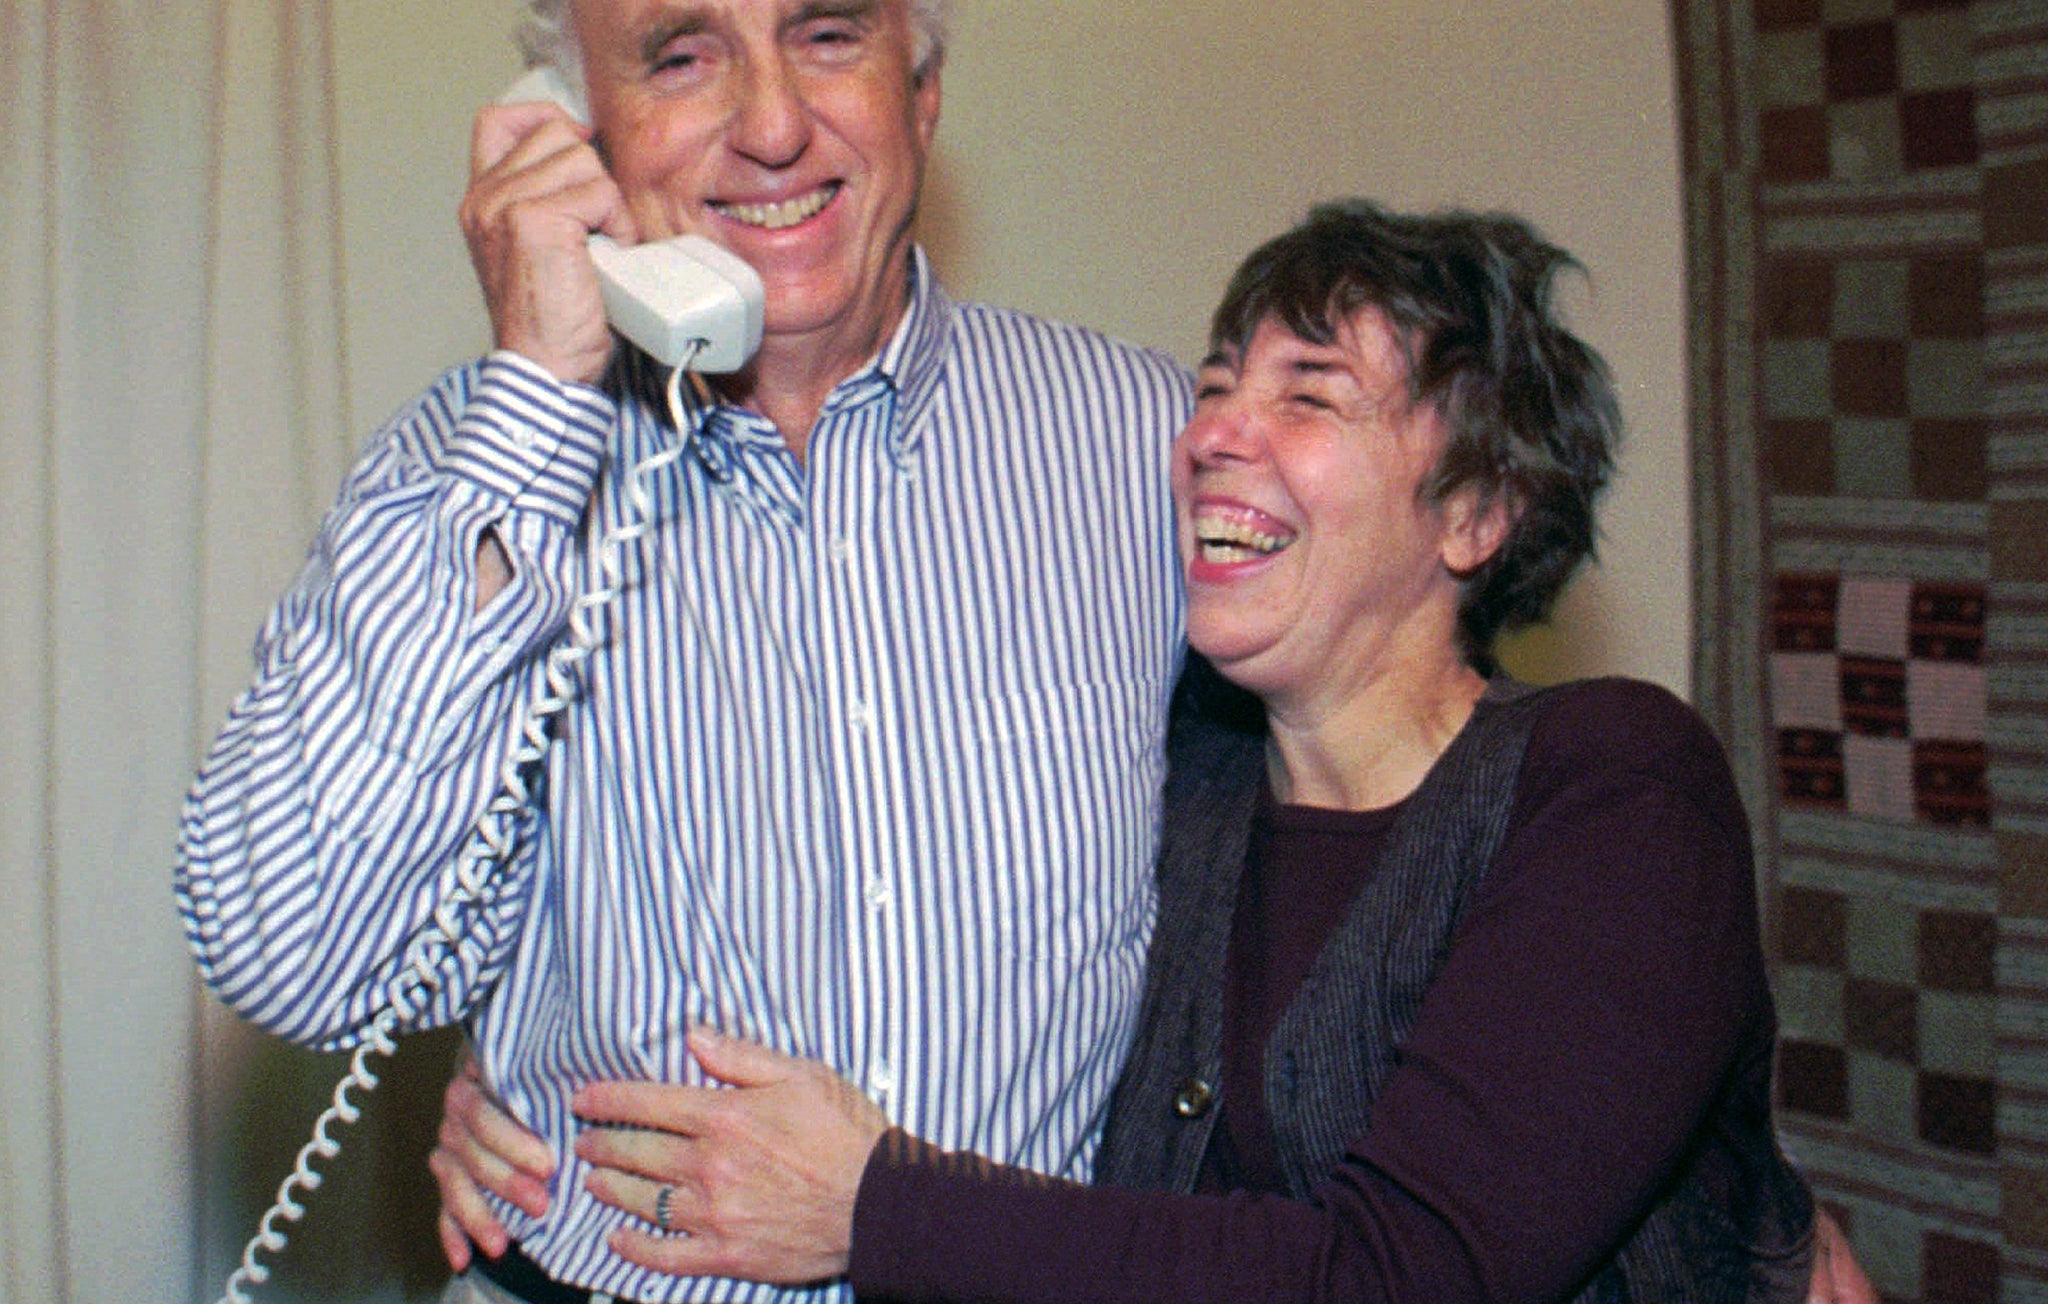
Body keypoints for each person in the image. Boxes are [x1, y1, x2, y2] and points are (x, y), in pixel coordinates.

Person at [437, 202, 1847, 1302]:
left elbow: (1404, 1276)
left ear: (1475, 515)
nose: (1214, 430)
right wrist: (527, 1067)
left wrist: (874, 1205)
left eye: (1310, 394)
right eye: (1218, 384)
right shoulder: (1178, 776)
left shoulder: (1611, 786)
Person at [176, 0, 1188, 1304]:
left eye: (829, 35)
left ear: (922, 91)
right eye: (681, 56)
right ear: (576, 130)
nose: (772, 125)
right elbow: (297, 952)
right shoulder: (478, 463)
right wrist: (538, 394)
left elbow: (1332, 866)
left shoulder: (1146, 440)